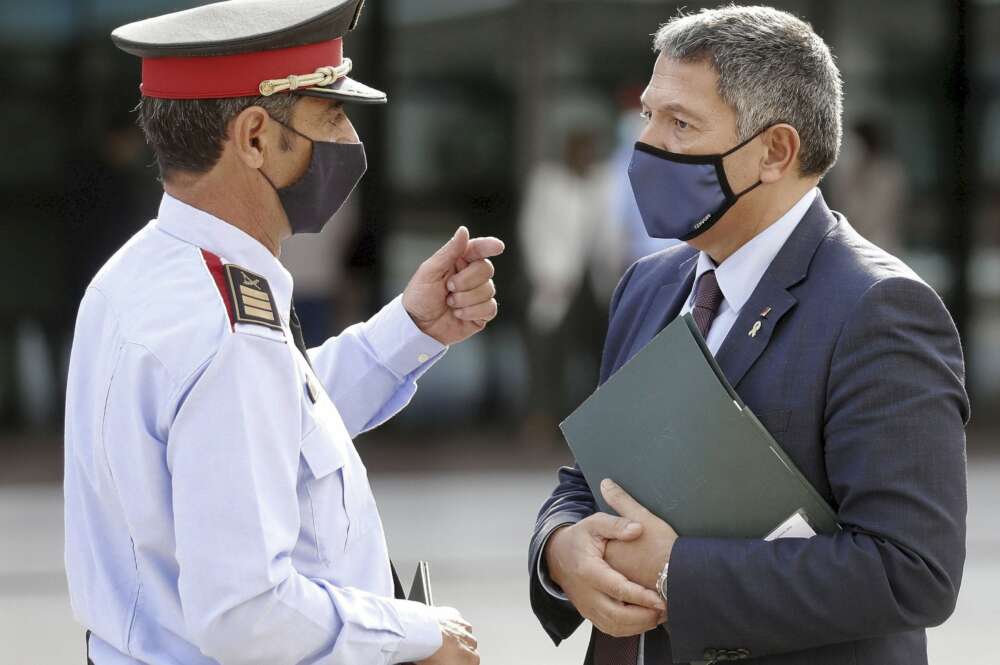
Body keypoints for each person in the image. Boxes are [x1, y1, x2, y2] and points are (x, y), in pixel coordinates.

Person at [63, 1, 502, 663]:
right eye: (329, 114)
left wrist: (410, 326)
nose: (350, 139)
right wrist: (411, 629)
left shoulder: (142, 272)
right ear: (255, 138)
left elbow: (271, 427)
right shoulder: (226, 329)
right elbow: (246, 612)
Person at [528, 6, 968, 665]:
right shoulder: (647, 285)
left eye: (680, 123)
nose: (648, 145)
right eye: (648, 115)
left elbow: (912, 569)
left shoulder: (881, 309)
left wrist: (676, 572)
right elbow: (593, 476)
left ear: (775, 151)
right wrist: (560, 550)